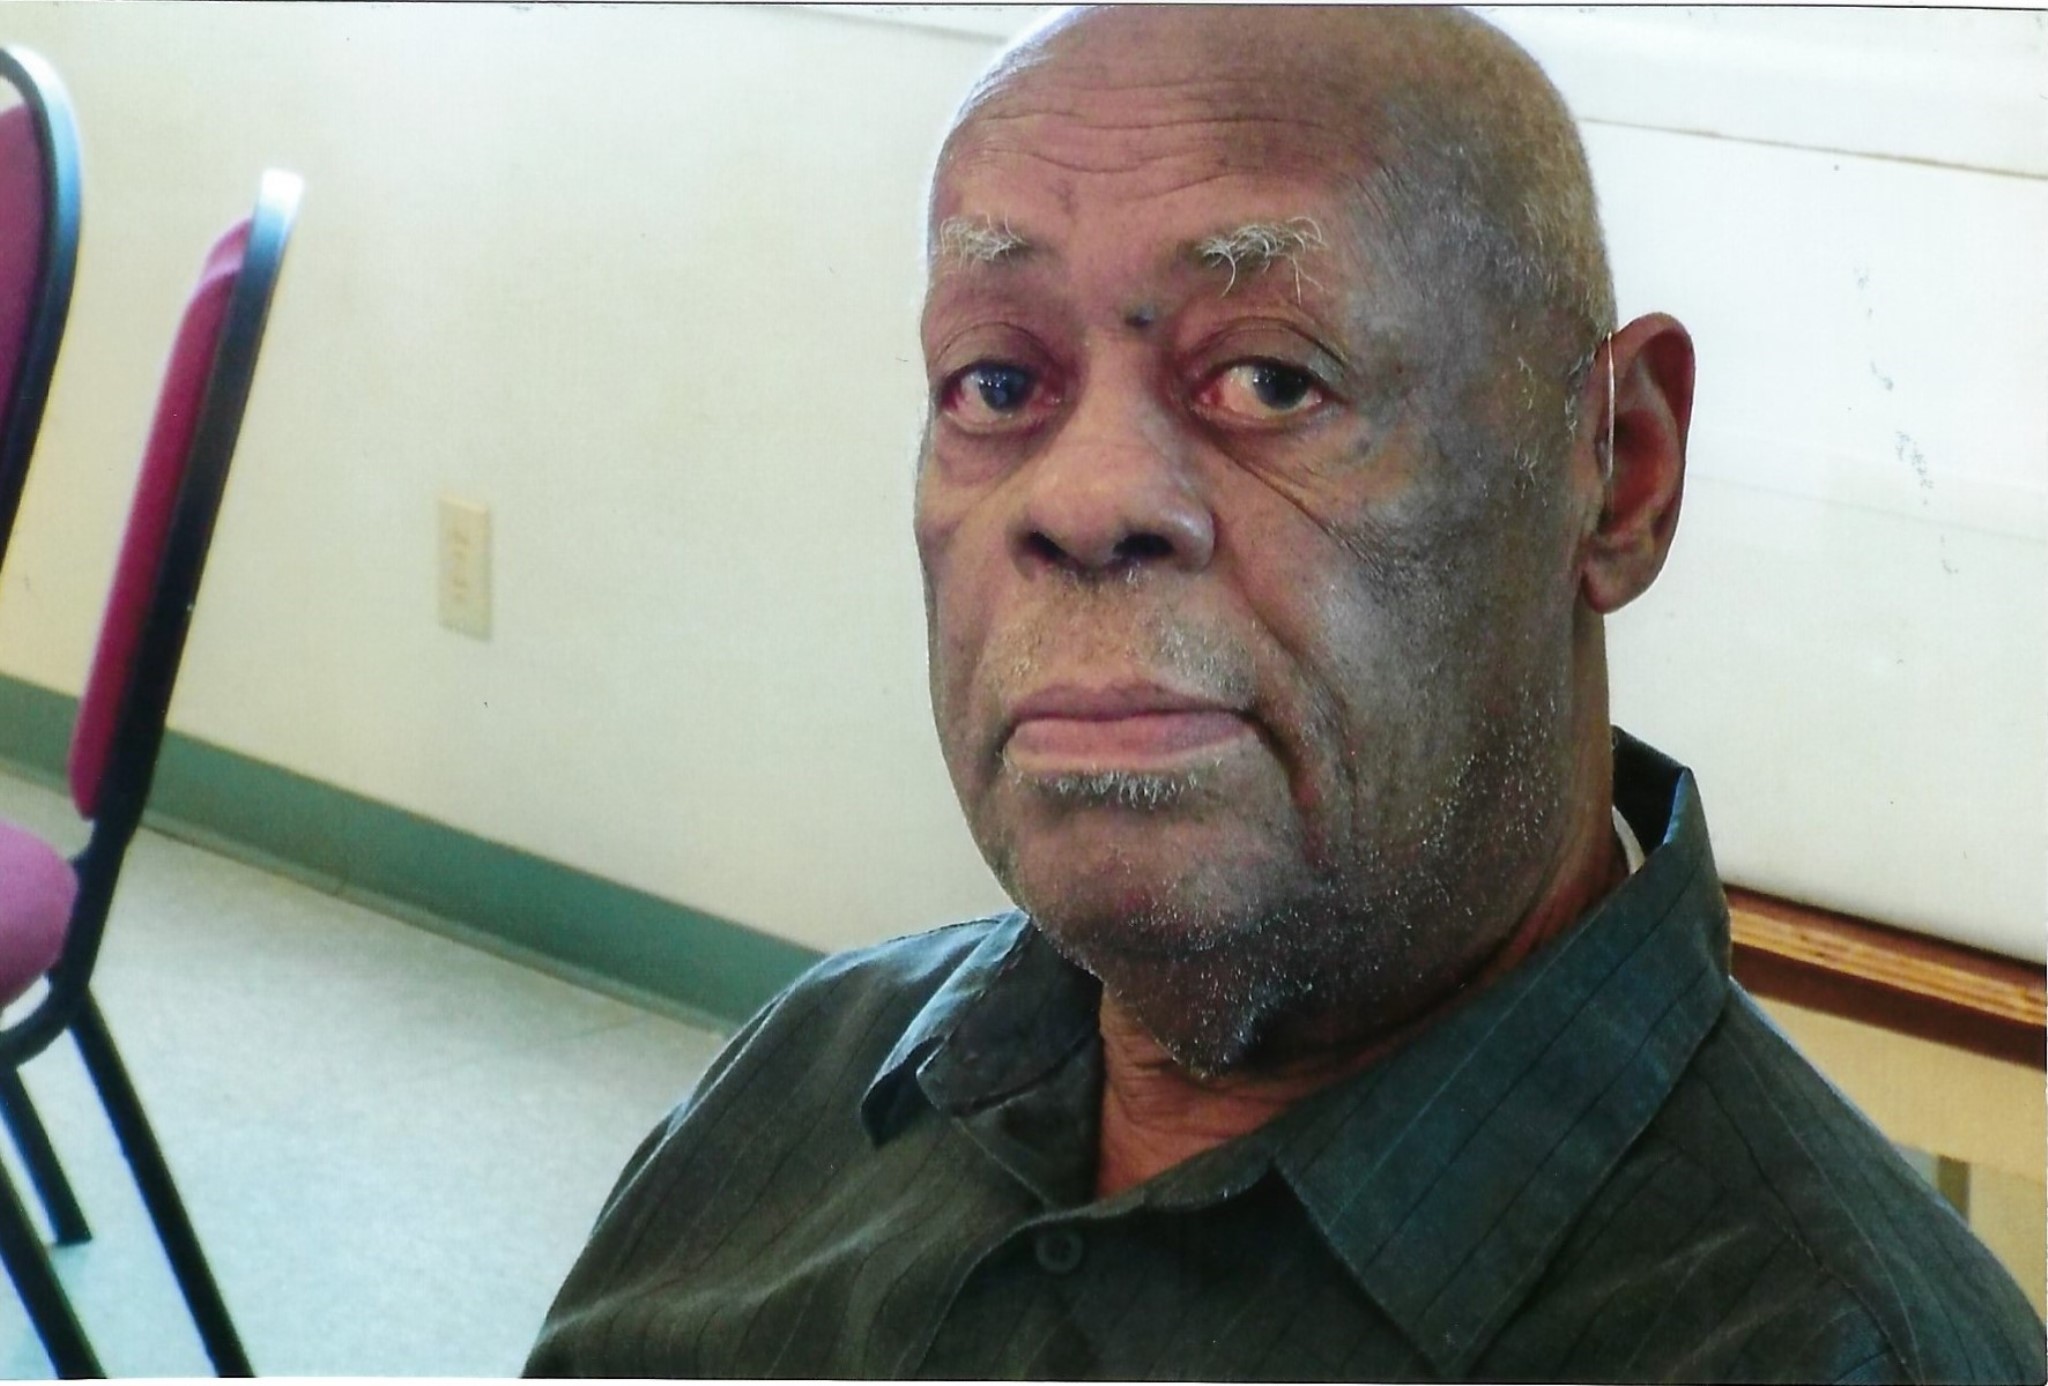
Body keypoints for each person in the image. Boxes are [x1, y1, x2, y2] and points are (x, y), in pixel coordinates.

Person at [526, 7, 2046, 1379]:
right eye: (997, 383)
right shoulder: (805, 1073)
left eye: (1270, 379)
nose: (1086, 501)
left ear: (1618, 468)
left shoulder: (1832, 1350)